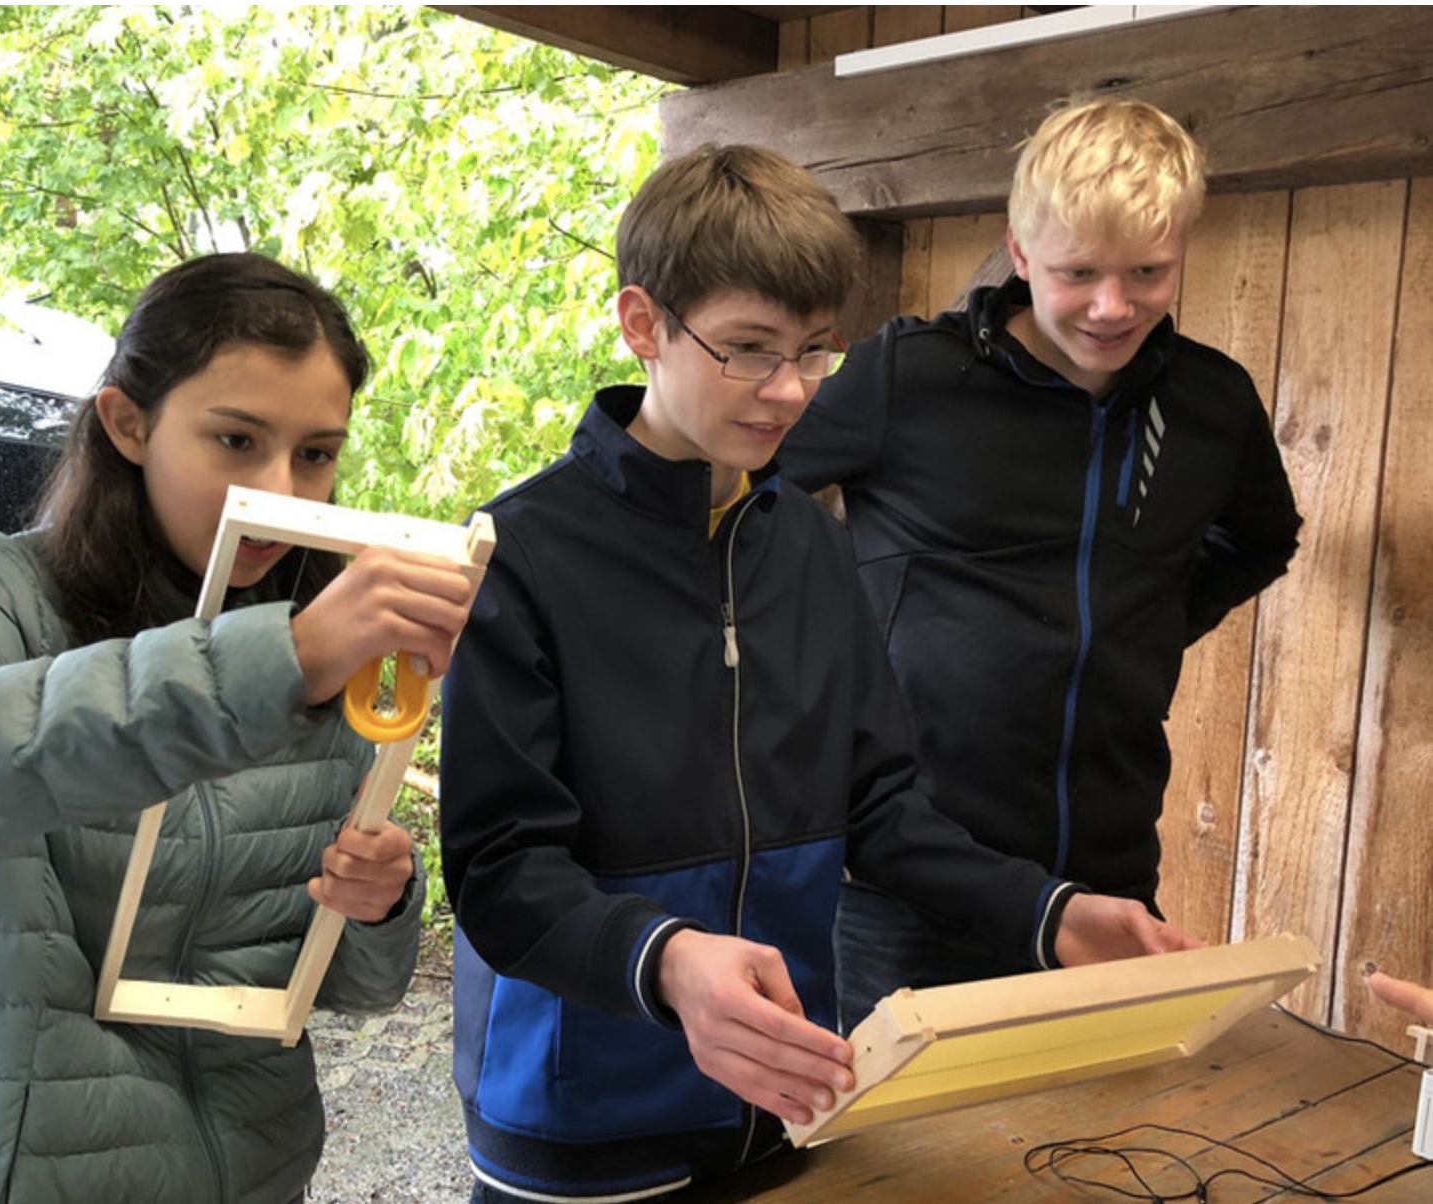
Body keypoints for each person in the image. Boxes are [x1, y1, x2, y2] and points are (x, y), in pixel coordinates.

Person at [438, 143, 1196, 1204]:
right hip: (582, 1112)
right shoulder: (518, 550)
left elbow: (878, 807)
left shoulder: (808, 541)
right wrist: (667, 959)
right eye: (748, 349)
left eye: (813, 351)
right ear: (643, 324)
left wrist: (1048, 910)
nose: (788, 390)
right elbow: (498, 865)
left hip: (784, 1098)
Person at [0, 252, 477, 1204]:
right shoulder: (3, 590)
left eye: (315, 453)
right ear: (128, 423)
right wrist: (273, 661)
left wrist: (378, 901)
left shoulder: (321, 631)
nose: (284, 492)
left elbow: (351, 989)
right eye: (236, 439)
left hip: (256, 1169)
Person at [777, 98, 1303, 1029]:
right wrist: (825, 652)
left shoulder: (1214, 404)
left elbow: (1262, 538)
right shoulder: (910, 376)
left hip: (1109, 883)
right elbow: (741, 491)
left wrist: (1145, 624)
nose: (1113, 305)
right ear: (1020, 254)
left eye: (1148, 271)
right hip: (910, 887)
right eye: (1078, 273)